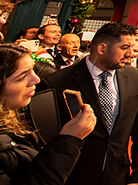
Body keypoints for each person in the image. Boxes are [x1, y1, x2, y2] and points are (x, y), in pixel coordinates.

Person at [39, 21, 138, 185]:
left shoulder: (137, 78)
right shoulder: (57, 82)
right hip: (73, 176)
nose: (131, 53)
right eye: (124, 47)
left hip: (116, 176)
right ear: (102, 48)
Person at [0, 44, 98, 185]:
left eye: (33, 71)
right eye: (22, 77)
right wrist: (69, 140)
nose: (36, 80)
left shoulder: (15, 115)